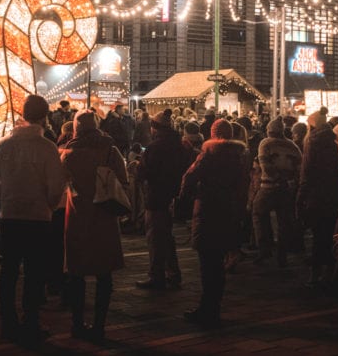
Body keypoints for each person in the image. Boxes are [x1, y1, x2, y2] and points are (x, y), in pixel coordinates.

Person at [0, 94, 67, 347]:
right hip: (38, 217)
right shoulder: (46, 148)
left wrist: (8, 196)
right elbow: (56, 187)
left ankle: (7, 322)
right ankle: (30, 321)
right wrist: (48, 205)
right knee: (34, 272)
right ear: (44, 117)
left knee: (8, 271)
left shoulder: (2, 145)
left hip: (9, 215)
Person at [60, 109, 129, 343]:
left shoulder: (67, 152)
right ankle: (99, 325)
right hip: (104, 215)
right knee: (104, 273)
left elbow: (59, 184)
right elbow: (123, 178)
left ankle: (77, 323)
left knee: (76, 274)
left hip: (77, 216)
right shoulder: (110, 150)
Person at [179, 118, 250, 328]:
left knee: (207, 262)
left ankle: (206, 309)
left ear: (213, 133)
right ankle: (213, 307)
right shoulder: (240, 156)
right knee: (218, 262)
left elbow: (189, 177)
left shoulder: (208, 154)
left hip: (208, 210)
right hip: (229, 211)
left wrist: (184, 199)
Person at [135, 109, 196, 290]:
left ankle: (157, 275)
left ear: (156, 128)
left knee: (155, 237)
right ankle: (173, 272)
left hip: (156, 196)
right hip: (173, 195)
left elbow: (144, 172)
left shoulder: (155, 147)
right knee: (167, 237)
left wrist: (137, 167)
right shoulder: (181, 145)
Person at [297, 110, 338, 287]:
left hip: (317, 195)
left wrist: (301, 197)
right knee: (330, 234)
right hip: (333, 194)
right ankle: (330, 271)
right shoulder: (334, 141)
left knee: (318, 236)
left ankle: (316, 273)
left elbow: (307, 173)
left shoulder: (313, 142)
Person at [252, 115, 303, 267]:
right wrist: (289, 180)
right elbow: (299, 169)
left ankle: (264, 248)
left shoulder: (265, 143)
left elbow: (265, 166)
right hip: (287, 189)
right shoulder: (293, 146)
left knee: (258, 213)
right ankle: (282, 255)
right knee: (283, 222)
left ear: (269, 131)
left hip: (268, 187)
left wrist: (276, 177)